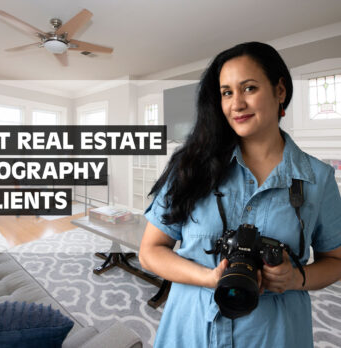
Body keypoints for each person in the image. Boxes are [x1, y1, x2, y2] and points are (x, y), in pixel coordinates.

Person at [139, 42, 341, 348]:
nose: (236, 104)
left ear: (280, 91)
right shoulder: (191, 166)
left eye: (249, 88)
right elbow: (150, 251)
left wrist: (294, 278)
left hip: (275, 335)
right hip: (191, 329)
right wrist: (208, 278)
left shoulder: (319, 179)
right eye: (227, 92)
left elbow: (336, 260)